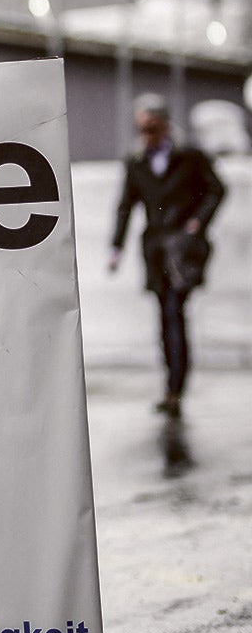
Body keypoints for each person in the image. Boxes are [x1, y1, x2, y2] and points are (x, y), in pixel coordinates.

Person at [108, 93, 226, 418]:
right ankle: (171, 385)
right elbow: (126, 205)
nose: (148, 135)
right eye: (143, 129)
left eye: (153, 127)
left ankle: (176, 386)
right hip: (156, 249)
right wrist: (115, 247)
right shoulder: (136, 161)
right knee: (164, 313)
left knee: (175, 310)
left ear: (165, 124)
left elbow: (216, 189)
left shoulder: (190, 156)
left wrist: (198, 221)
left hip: (184, 247)